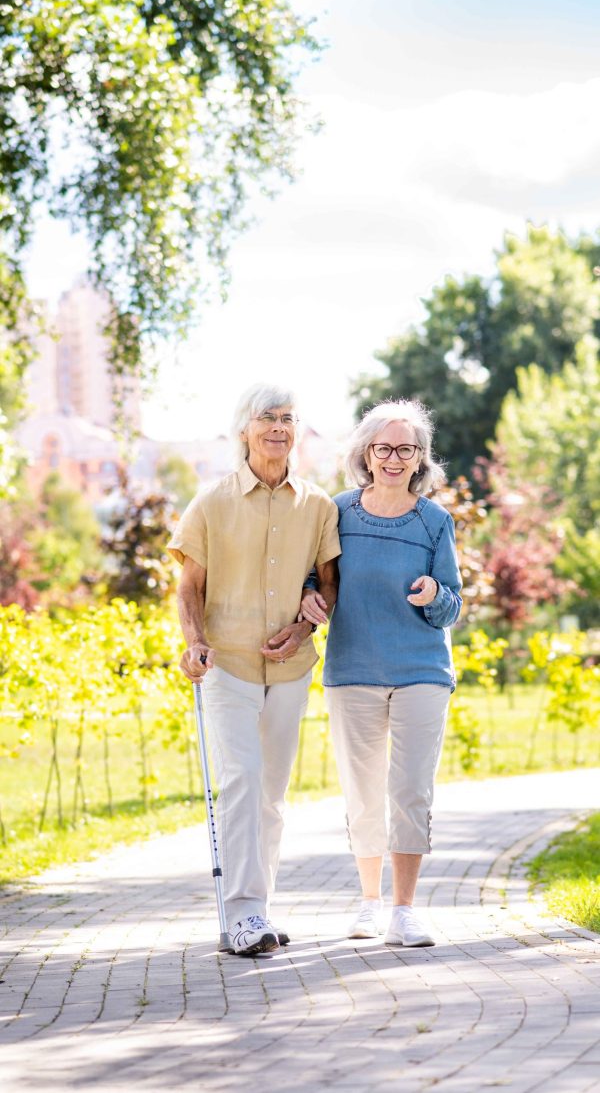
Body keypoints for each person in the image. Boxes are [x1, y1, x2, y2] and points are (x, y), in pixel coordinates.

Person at [167, 384, 339, 957]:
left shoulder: (317, 505)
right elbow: (188, 586)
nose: (278, 427)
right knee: (240, 781)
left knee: (272, 793)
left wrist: (304, 627)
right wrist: (194, 643)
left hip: (289, 669)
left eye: (288, 418)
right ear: (244, 430)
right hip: (227, 665)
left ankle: (258, 908)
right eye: (267, 418)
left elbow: (327, 586)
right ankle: (240, 915)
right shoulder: (211, 503)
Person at [301, 400, 461, 948]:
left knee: (411, 791)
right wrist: (308, 601)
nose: (394, 458)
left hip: (421, 670)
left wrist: (436, 594)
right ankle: (369, 903)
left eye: (406, 449)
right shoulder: (336, 512)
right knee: (363, 793)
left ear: (420, 458)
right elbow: (313, 578)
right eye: (384, 447)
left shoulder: (435, 521)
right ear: (366, 453)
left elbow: (453, 604)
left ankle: (405, 909)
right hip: (353, 671)